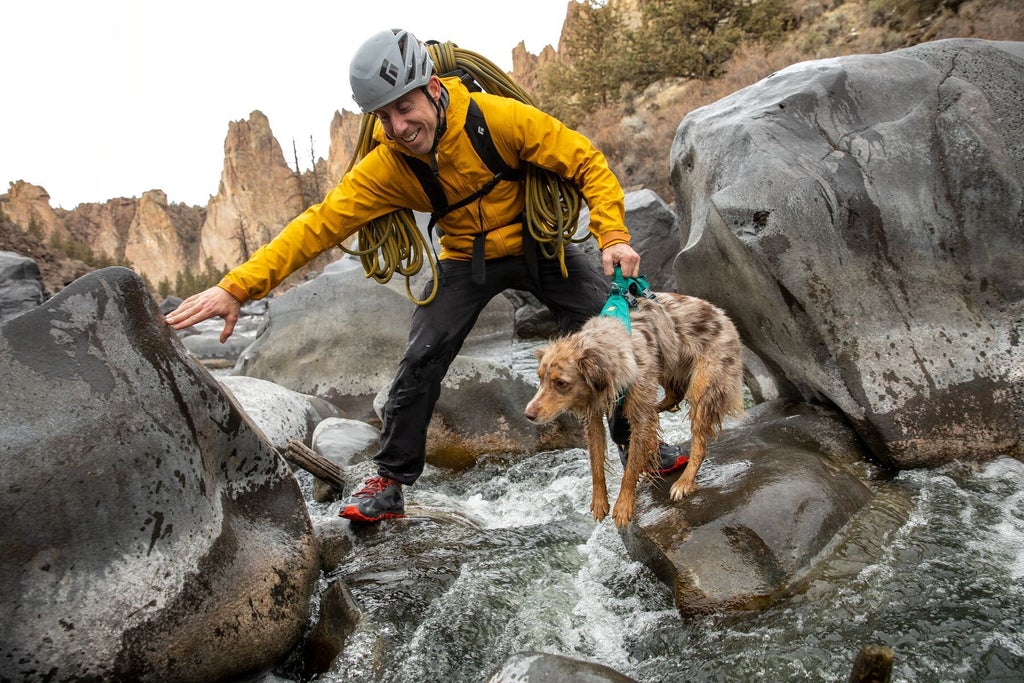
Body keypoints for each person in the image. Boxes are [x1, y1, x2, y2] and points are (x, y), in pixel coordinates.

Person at [166, 28, 687, 523]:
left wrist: (612, 233)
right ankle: (389, 482)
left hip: (537, 240)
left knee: (613, 337)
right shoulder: (386, 167)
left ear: (433, 89)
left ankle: (644, 446)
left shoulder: (498, 120)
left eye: (405, 107)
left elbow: (585, 162)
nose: (398, 126)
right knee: (421, 356)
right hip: (466, 258)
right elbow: (317, 226)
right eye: (383, 116)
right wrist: (235, 288)